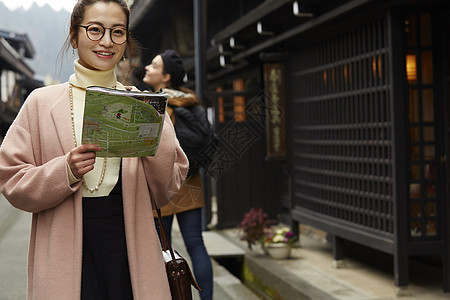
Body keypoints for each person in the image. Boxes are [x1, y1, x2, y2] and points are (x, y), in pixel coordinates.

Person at [0, 1, 188, 299]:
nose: (106, 41)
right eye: (95, 30)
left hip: (130, 242)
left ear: (126, 40)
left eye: (117, 32)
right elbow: (11, 180)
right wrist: (65, 170)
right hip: (63, 245)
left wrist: (156, 126)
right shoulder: (41, 103)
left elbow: (167, 187)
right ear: (74, 37)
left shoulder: (140, 103)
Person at [143, 49, 214, 300]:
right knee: (196, 244)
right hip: (191, 181)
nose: (147, 68)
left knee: (161, 250)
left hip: (163, 184)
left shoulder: (156, 105)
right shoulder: (190, 100)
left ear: (166, 77)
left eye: (154, 66)